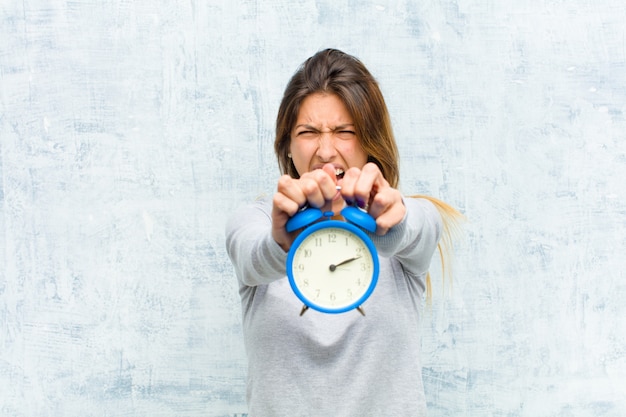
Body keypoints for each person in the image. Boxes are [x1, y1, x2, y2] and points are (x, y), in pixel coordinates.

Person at [225, 48, 463, 417]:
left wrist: (388, 223)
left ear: (369, 141)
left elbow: (418, 228)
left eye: (344, 132)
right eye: (308, 132)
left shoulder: (404, 217)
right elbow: (252, 256)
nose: (325, 150)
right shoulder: (254, 221)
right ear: (288, 144)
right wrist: (281, 241)